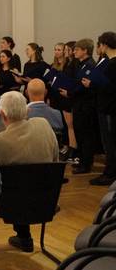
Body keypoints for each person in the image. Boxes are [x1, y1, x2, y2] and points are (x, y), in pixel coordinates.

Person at [0, 91, 59, 252]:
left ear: (1, 113)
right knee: (24, 182)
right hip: (46, 200)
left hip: (9, 206)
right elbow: (55, 158)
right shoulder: (43, 125)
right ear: (27, 110)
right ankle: (24, 237)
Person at [86, 32, 116, 185]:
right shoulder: (110, 62)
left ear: (104, 44)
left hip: (109, 108)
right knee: (109, 142)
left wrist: (91, 84)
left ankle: (110, 174)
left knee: (109, 142)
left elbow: (109, 87)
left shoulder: (112, 64)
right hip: (108, 106)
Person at [66, 39, 97, 174]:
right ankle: (83, 162)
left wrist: (70, 92)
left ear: (85, 51)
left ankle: (86, 164)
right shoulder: (81, 64)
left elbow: (84, 87)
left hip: (86, 105)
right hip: (79, 104)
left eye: (77, 49)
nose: (74, 51)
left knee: (86, 135)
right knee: (80, 133)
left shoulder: (90, 64)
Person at [49, 42, 77, 159]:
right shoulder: (53, 65)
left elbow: (69, 80)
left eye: (60, 50)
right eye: (55, 49)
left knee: (67, 125)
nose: (57, 52)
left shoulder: (68, 65)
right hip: (55, 96)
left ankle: (69, 146)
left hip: (64, 97)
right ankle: (60, 145)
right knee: (57, 122)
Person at [0, 49, 20, 114]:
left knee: (10, 114)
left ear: (9, 58)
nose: (1, 58)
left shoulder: (14, 70)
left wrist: (17, 76)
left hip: (10, 96)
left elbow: (19, 82)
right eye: (0, 57)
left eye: (3, 56)